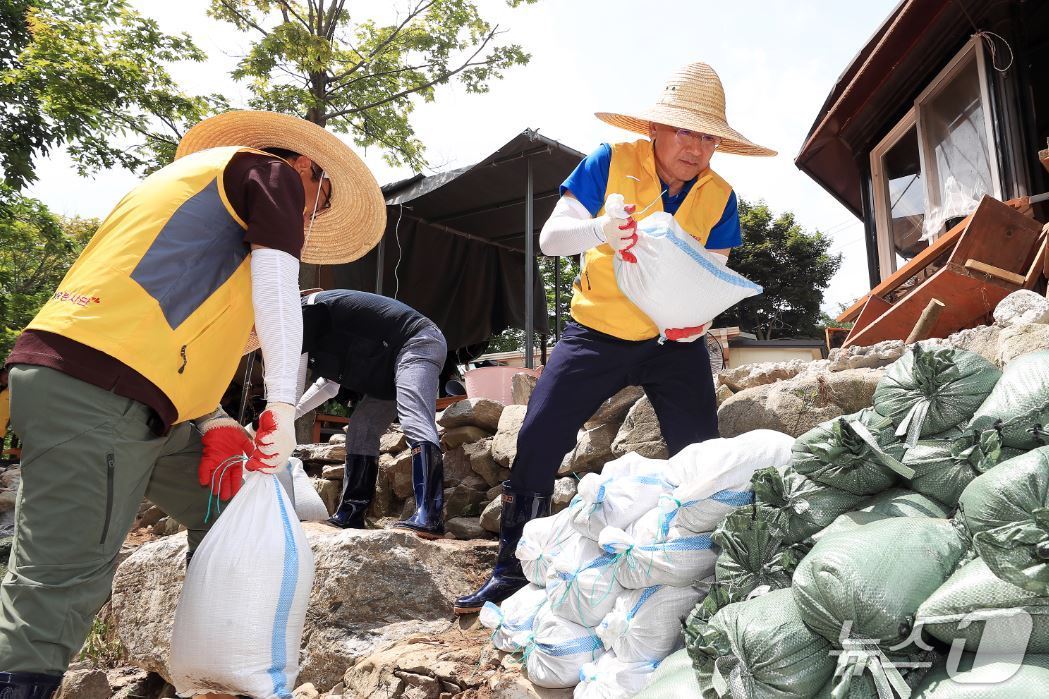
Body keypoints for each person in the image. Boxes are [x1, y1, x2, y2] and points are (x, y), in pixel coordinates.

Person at [0, 110, 385, 696]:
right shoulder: (269, 174)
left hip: (138, 400)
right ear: (307, 168)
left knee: (234, 503)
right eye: (322, 200)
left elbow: (188, 331)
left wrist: (213, 418)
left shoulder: (197, 206)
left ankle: (216, 671)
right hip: (98, 388)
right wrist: (282, 402)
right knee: (58, 585)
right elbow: (277, 289)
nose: (316, 216)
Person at [453, 62, 776, 614]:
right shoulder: (610, 162)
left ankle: (704, 570)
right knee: (538, 436)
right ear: (655, 129)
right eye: (684, 130)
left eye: (708, 135)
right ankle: (511, 566)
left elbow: (710, 272)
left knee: (702, 454)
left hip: (675, 345)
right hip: (597, 333)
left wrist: (694, 320)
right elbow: (553, 239)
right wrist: (601, 229)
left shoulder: (721, 196)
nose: (696, 147)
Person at [294, 289, 448, 537]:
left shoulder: (304, 312)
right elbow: (329, 386)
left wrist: (267, 425)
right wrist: (288, 416)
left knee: (414, 417)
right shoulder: (319, 325)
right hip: (386, 369)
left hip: (418, 341)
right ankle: (352, 512)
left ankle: (430, 513)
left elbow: (291, 384)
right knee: (362, 426)